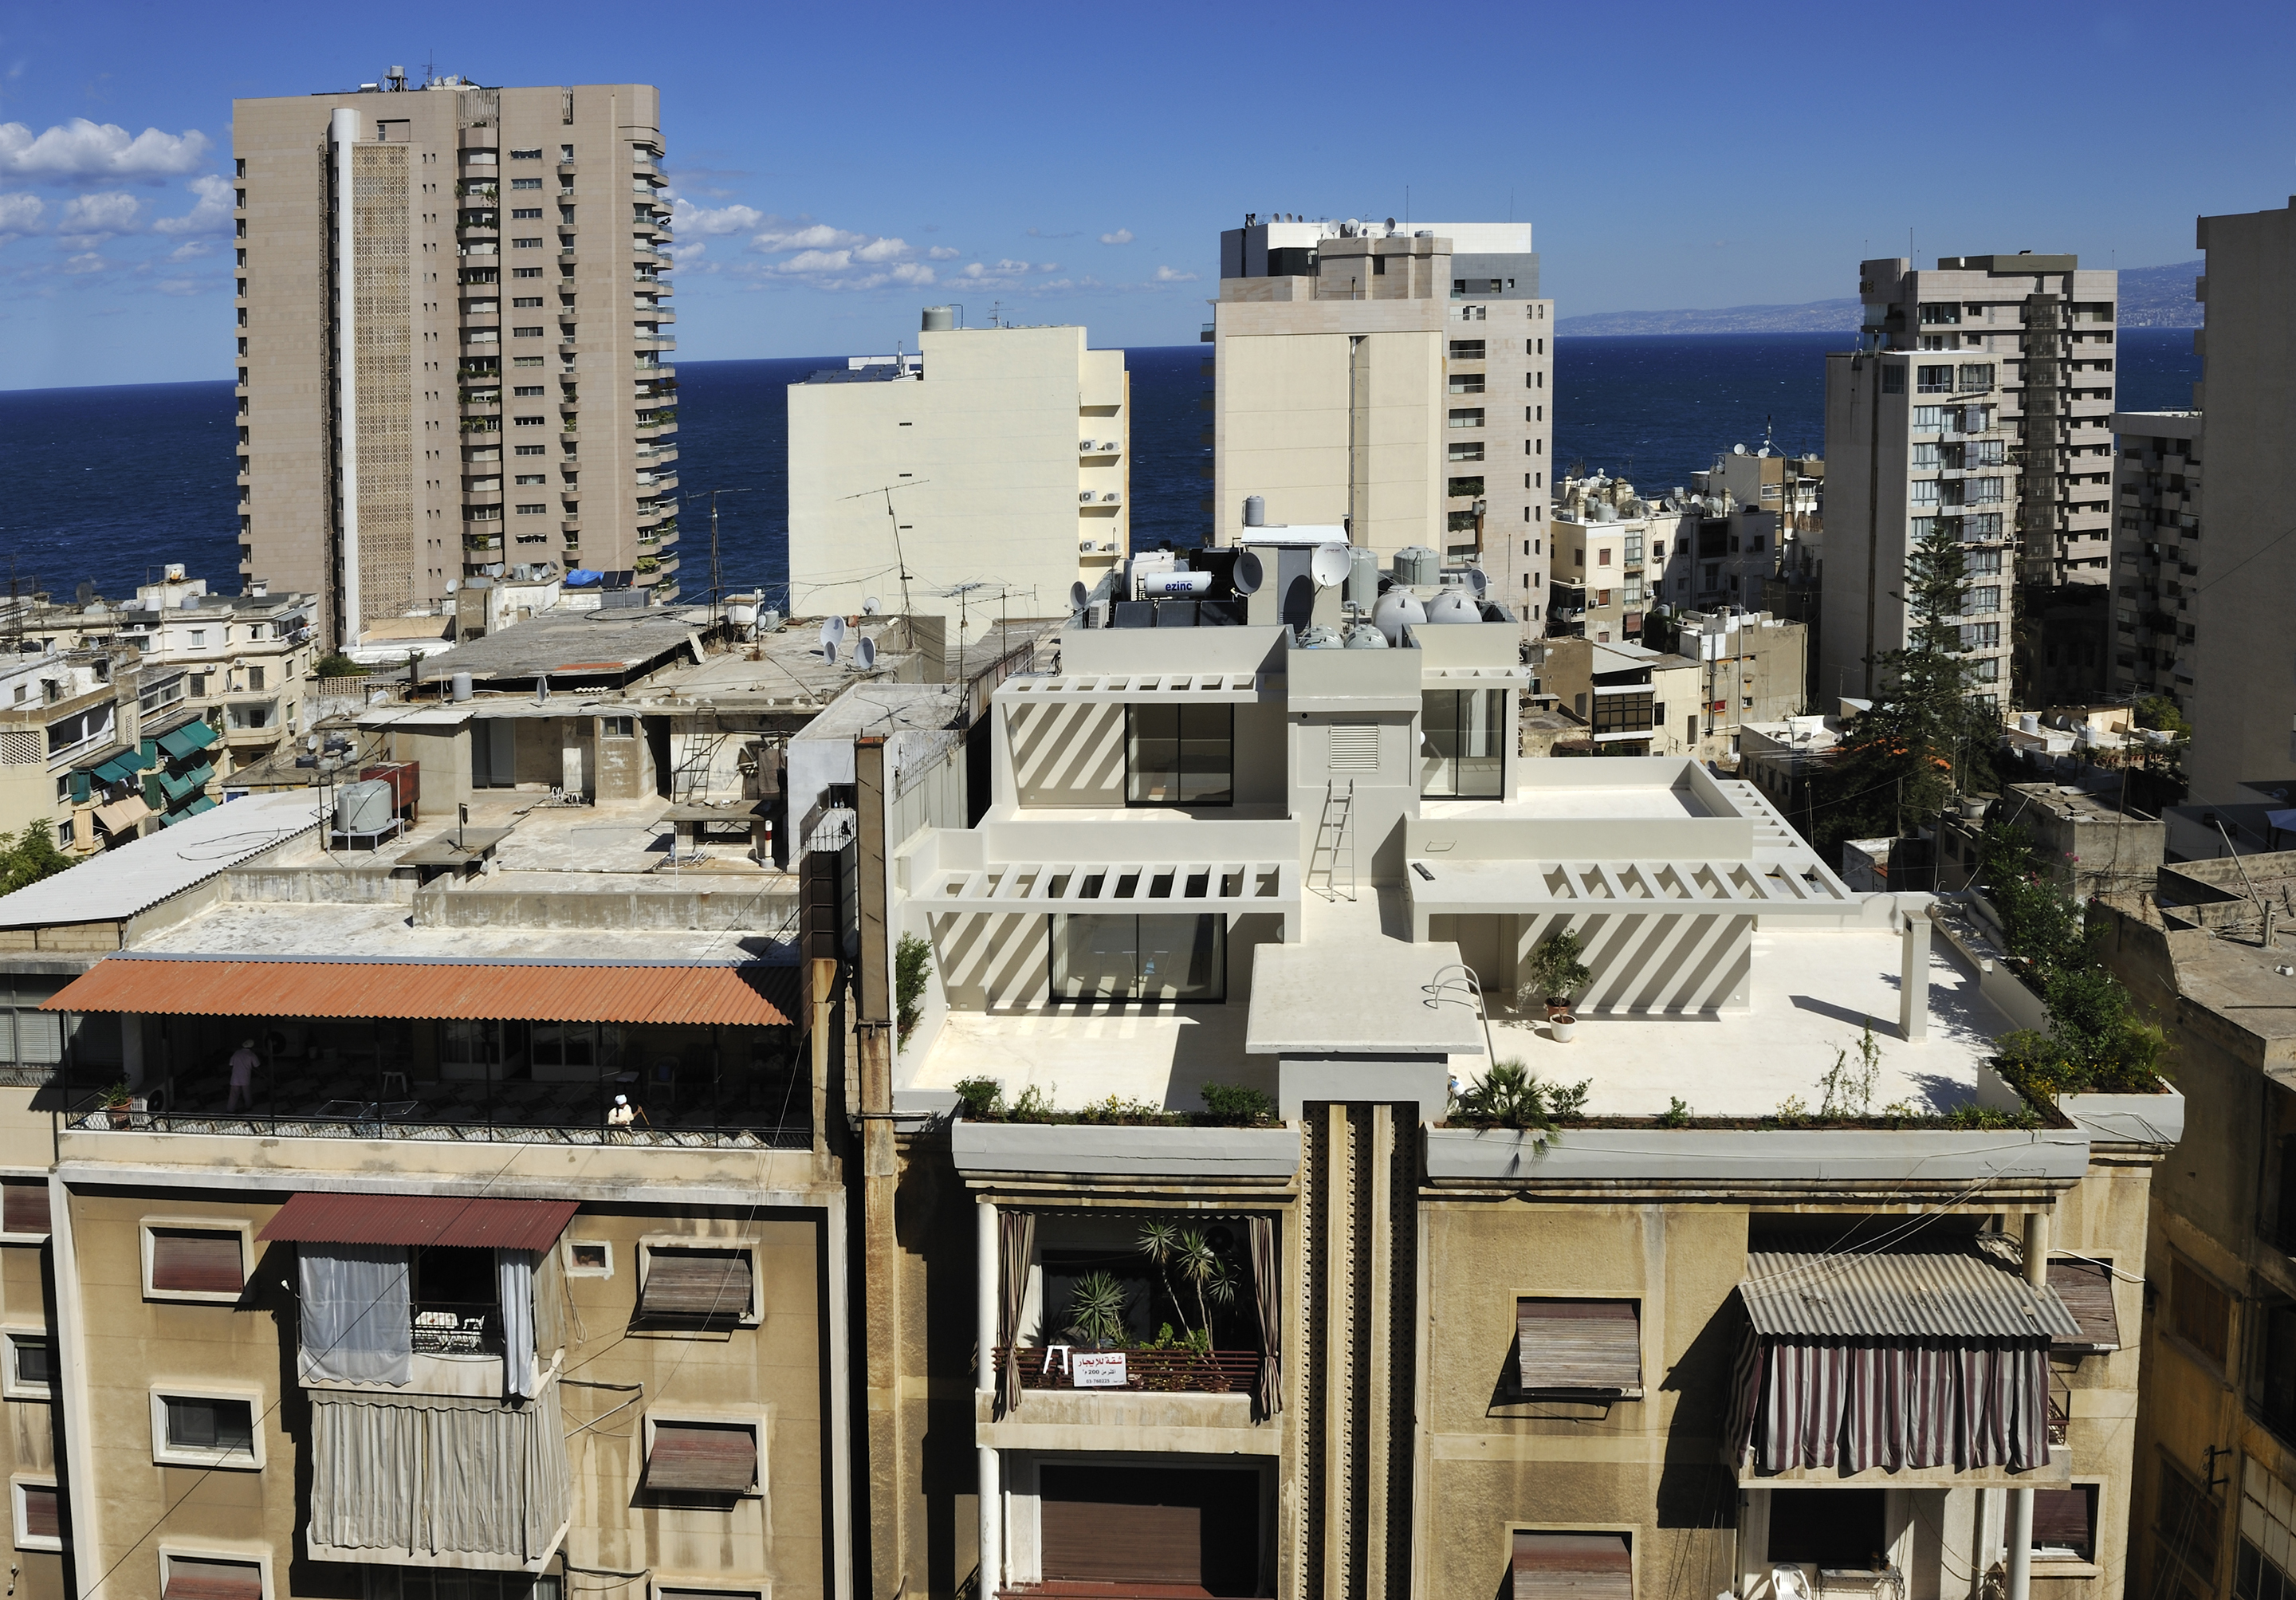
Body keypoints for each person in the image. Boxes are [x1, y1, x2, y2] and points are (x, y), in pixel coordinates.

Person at [226, 1040, 260, 1112]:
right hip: (245, 1078)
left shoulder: (237, 1053)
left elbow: (231, 1064)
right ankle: (248, 1107)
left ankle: (230, 1110)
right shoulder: (251, 1055)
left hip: (235, 1078)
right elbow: (257, 1065)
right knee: (247, 1094)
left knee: (233, 1095)